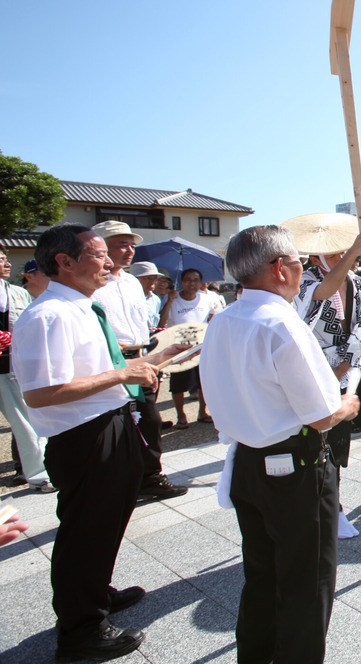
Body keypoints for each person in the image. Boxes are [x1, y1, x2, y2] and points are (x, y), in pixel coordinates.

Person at [11, 224, 190, 661]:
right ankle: (80, 630)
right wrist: (123, 374)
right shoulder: (47, 315)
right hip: (82, 437)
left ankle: (96, 593)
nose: (109, 262)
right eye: (98, 254)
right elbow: (41, 393)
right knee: (85, 532)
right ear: (64, 262)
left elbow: (101, 370)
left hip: (110, 422)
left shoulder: (83, 309)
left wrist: (155, 358)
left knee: (106, 522)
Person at [199, 226, 358, 663]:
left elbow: (214, 400)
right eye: (297, 262)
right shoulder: (282, 324)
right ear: (278, 268)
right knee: (307, 582)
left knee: (262, 573)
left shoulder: (222, 321)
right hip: (296, 468)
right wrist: (349, 405)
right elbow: (322, 414)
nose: (301, 269)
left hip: (248, 464)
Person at [292, 228, 361, 542]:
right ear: (315, 258)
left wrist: (347, 362)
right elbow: (323, 293)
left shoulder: (357, 282)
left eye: (343, 253)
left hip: (355, 366)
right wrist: (354, 252)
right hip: (321, 371)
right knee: (333, 444)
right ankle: (333, 508)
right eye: (332, 255)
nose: (341, 259)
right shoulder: (306, 281)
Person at [91, 221, 187, 499]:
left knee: (149, 419)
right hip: (107, 360)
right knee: (111, 424)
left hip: (139, 356)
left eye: (132, 244)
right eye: (121, 243)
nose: (129, 250)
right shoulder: (93, 282)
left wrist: (150, 362)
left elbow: (140, 325)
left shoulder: (133, 282)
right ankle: (115, 479)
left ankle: (150, 476)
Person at [0, 250, 51, 492]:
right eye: (0, 259)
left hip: (10, 368)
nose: (6, 263)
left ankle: (39, 475)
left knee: (26, 423)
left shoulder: (19, 294)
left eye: (5, 258)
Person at [163, 267, 222, 427]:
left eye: (195, 280)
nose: (192, 283)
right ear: (182, 282)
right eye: (188, 280)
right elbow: (162, 323)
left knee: (204, 382)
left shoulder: (207, 299)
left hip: (202, 347)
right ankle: (181, 415)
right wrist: (168, 301)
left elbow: (216, 316)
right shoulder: (173, 300)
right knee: (178, 384)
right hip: (179, 348)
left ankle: (203, 412)